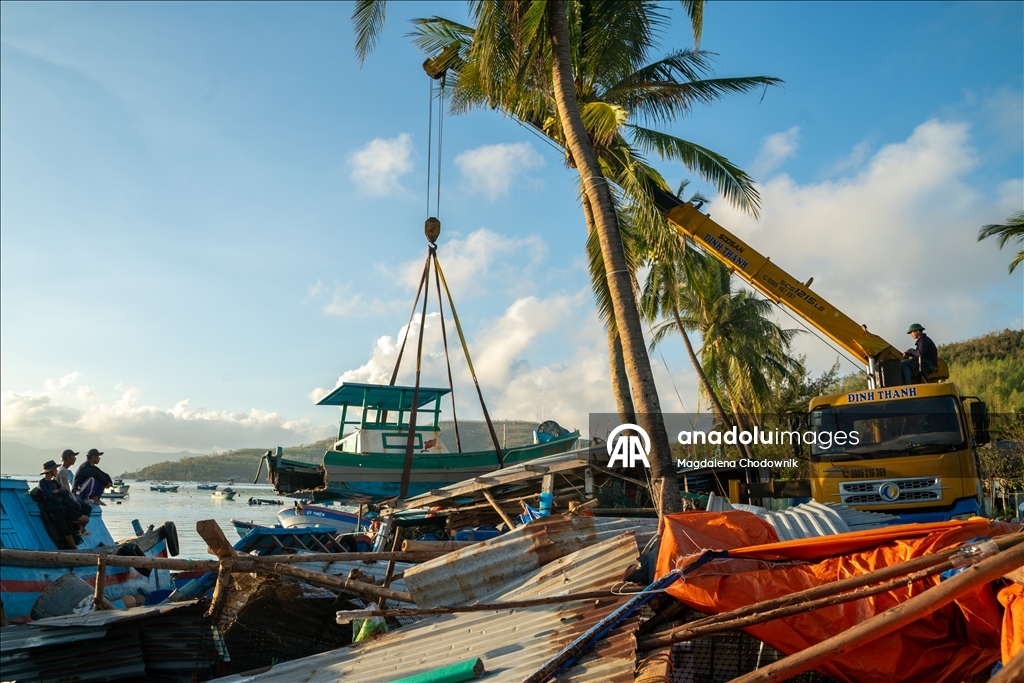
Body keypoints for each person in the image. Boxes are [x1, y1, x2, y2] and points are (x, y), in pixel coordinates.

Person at [39, 460, 89, 548]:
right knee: (68, 534)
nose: (57, 471)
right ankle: (75, 551)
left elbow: (65, 492)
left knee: (85, 519)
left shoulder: (54, 482)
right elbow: (50, 495)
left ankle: (67, 523)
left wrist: (57, 491)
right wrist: (59, 491)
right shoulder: (42, 483)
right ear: (51, 471)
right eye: (55, 469)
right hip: (54, 511)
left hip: (62, 508)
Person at [56, 449, 92, 520]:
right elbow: (66, 489)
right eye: (73, 456)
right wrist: (74, 500)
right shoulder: (63, 471)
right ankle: (79, 528)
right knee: (84, 508)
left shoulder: (62, 469)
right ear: (68, 458)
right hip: (63, 497)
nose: (75, 458)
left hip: (63, 495)